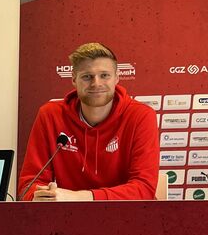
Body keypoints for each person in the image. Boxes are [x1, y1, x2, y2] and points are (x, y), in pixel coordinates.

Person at [18, 43, 159, 201]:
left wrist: (80, 197)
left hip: (126, 217)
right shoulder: (50, 115)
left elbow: (144, 188)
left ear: (117, 78)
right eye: (87, 76)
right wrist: (41, 197)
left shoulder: (141, 116)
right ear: (73, 79)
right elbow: (28, 187)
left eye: (104, 75)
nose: (96, 83)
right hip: (68, 218)